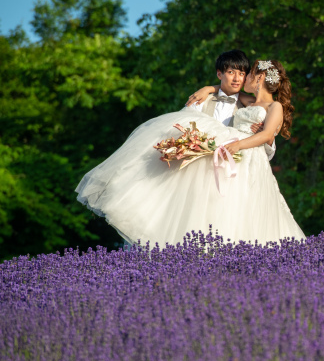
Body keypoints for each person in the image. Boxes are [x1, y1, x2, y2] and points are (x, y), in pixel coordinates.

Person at [75, 57, 305, 246]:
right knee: (221, 204)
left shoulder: (273, 106)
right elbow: (224, 92)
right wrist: (210, 88)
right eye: (236, 73)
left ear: (260, 77)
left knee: (247, 205)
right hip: (226, 152)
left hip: (244, 154)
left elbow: (267, 136)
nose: (243, 78)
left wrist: (241, 143)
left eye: (249, 73)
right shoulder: (247, 101)